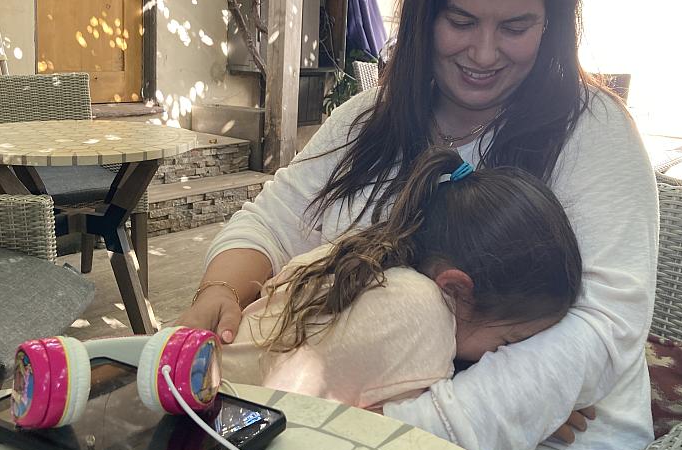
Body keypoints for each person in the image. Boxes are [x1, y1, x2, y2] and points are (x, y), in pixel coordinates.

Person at [180, 0, 658, 450]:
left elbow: (601, 328)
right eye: (460, 21)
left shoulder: (592, 130)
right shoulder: (367, 119)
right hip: (328, 436)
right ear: (424, 11)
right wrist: (219, 291)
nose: (483, 53)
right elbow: (273, 221)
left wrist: (425, 419)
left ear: (553, 25)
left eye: (516, 27)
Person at [220, 147, 583, 412]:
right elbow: (393, 448)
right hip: (218, 440)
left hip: (196, 393)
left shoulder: (365, 253)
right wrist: (523, 411)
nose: (510, 355)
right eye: (510, 339)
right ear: (455, 288)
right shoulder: (425, 317)